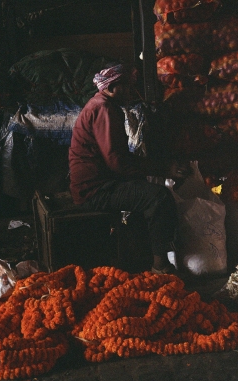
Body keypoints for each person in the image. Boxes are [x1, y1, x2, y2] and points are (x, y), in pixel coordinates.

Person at [68, 63, 188, 274]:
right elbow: (117, 161)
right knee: (159, 197)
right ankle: (160, 266)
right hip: (95, 189)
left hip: (99, 181)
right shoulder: (104, 108)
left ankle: (140, 255)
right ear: (112, 88)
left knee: (142, 190)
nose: (132, 93)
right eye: (127, 87)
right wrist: (163, 169)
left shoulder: (101, 104)